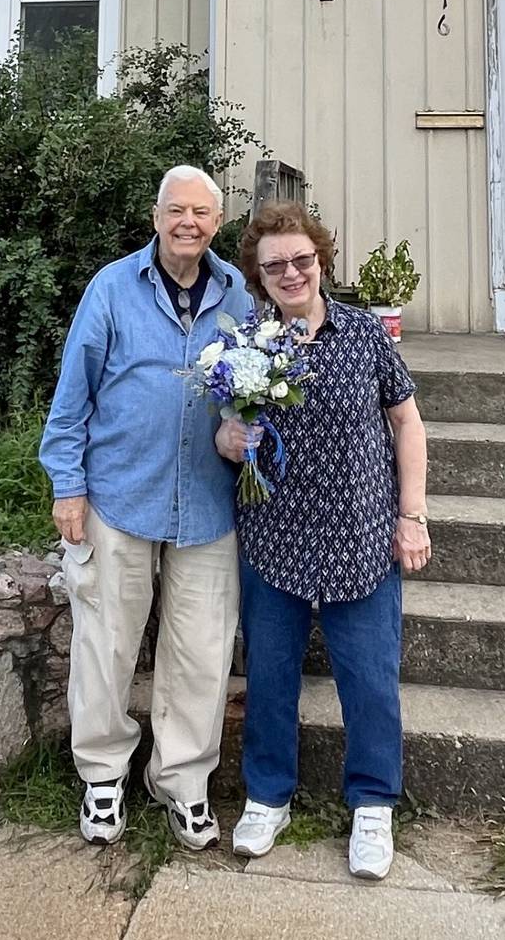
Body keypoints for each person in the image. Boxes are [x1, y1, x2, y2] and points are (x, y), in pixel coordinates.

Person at [39, 165, 255, 850]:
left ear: (217, 224)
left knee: (201, 650)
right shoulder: (111, 288)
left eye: (201, 212)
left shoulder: (237, 295)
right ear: (156, 216)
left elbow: (251, 393)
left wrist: (241, 432)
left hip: (209, 505)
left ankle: (183, 783)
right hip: (119, 495)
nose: (187, 221)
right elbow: (72, 397)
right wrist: (67, 486)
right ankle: (103, 778)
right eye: (175, 209)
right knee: (105, 645)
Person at [215, 200, 429, 880]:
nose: (290, 272)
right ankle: (267, 796)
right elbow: (224, 435)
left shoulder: (364, 334)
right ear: (257, 272)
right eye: (274, 264)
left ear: (320, 260)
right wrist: (232, 438)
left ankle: (372, 806)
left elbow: (407, 425)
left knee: (368, 681)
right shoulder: (245, 342)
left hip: (359, 537)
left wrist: (412, 514)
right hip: (274, 539)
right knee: (271, 678)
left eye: (301, 260)